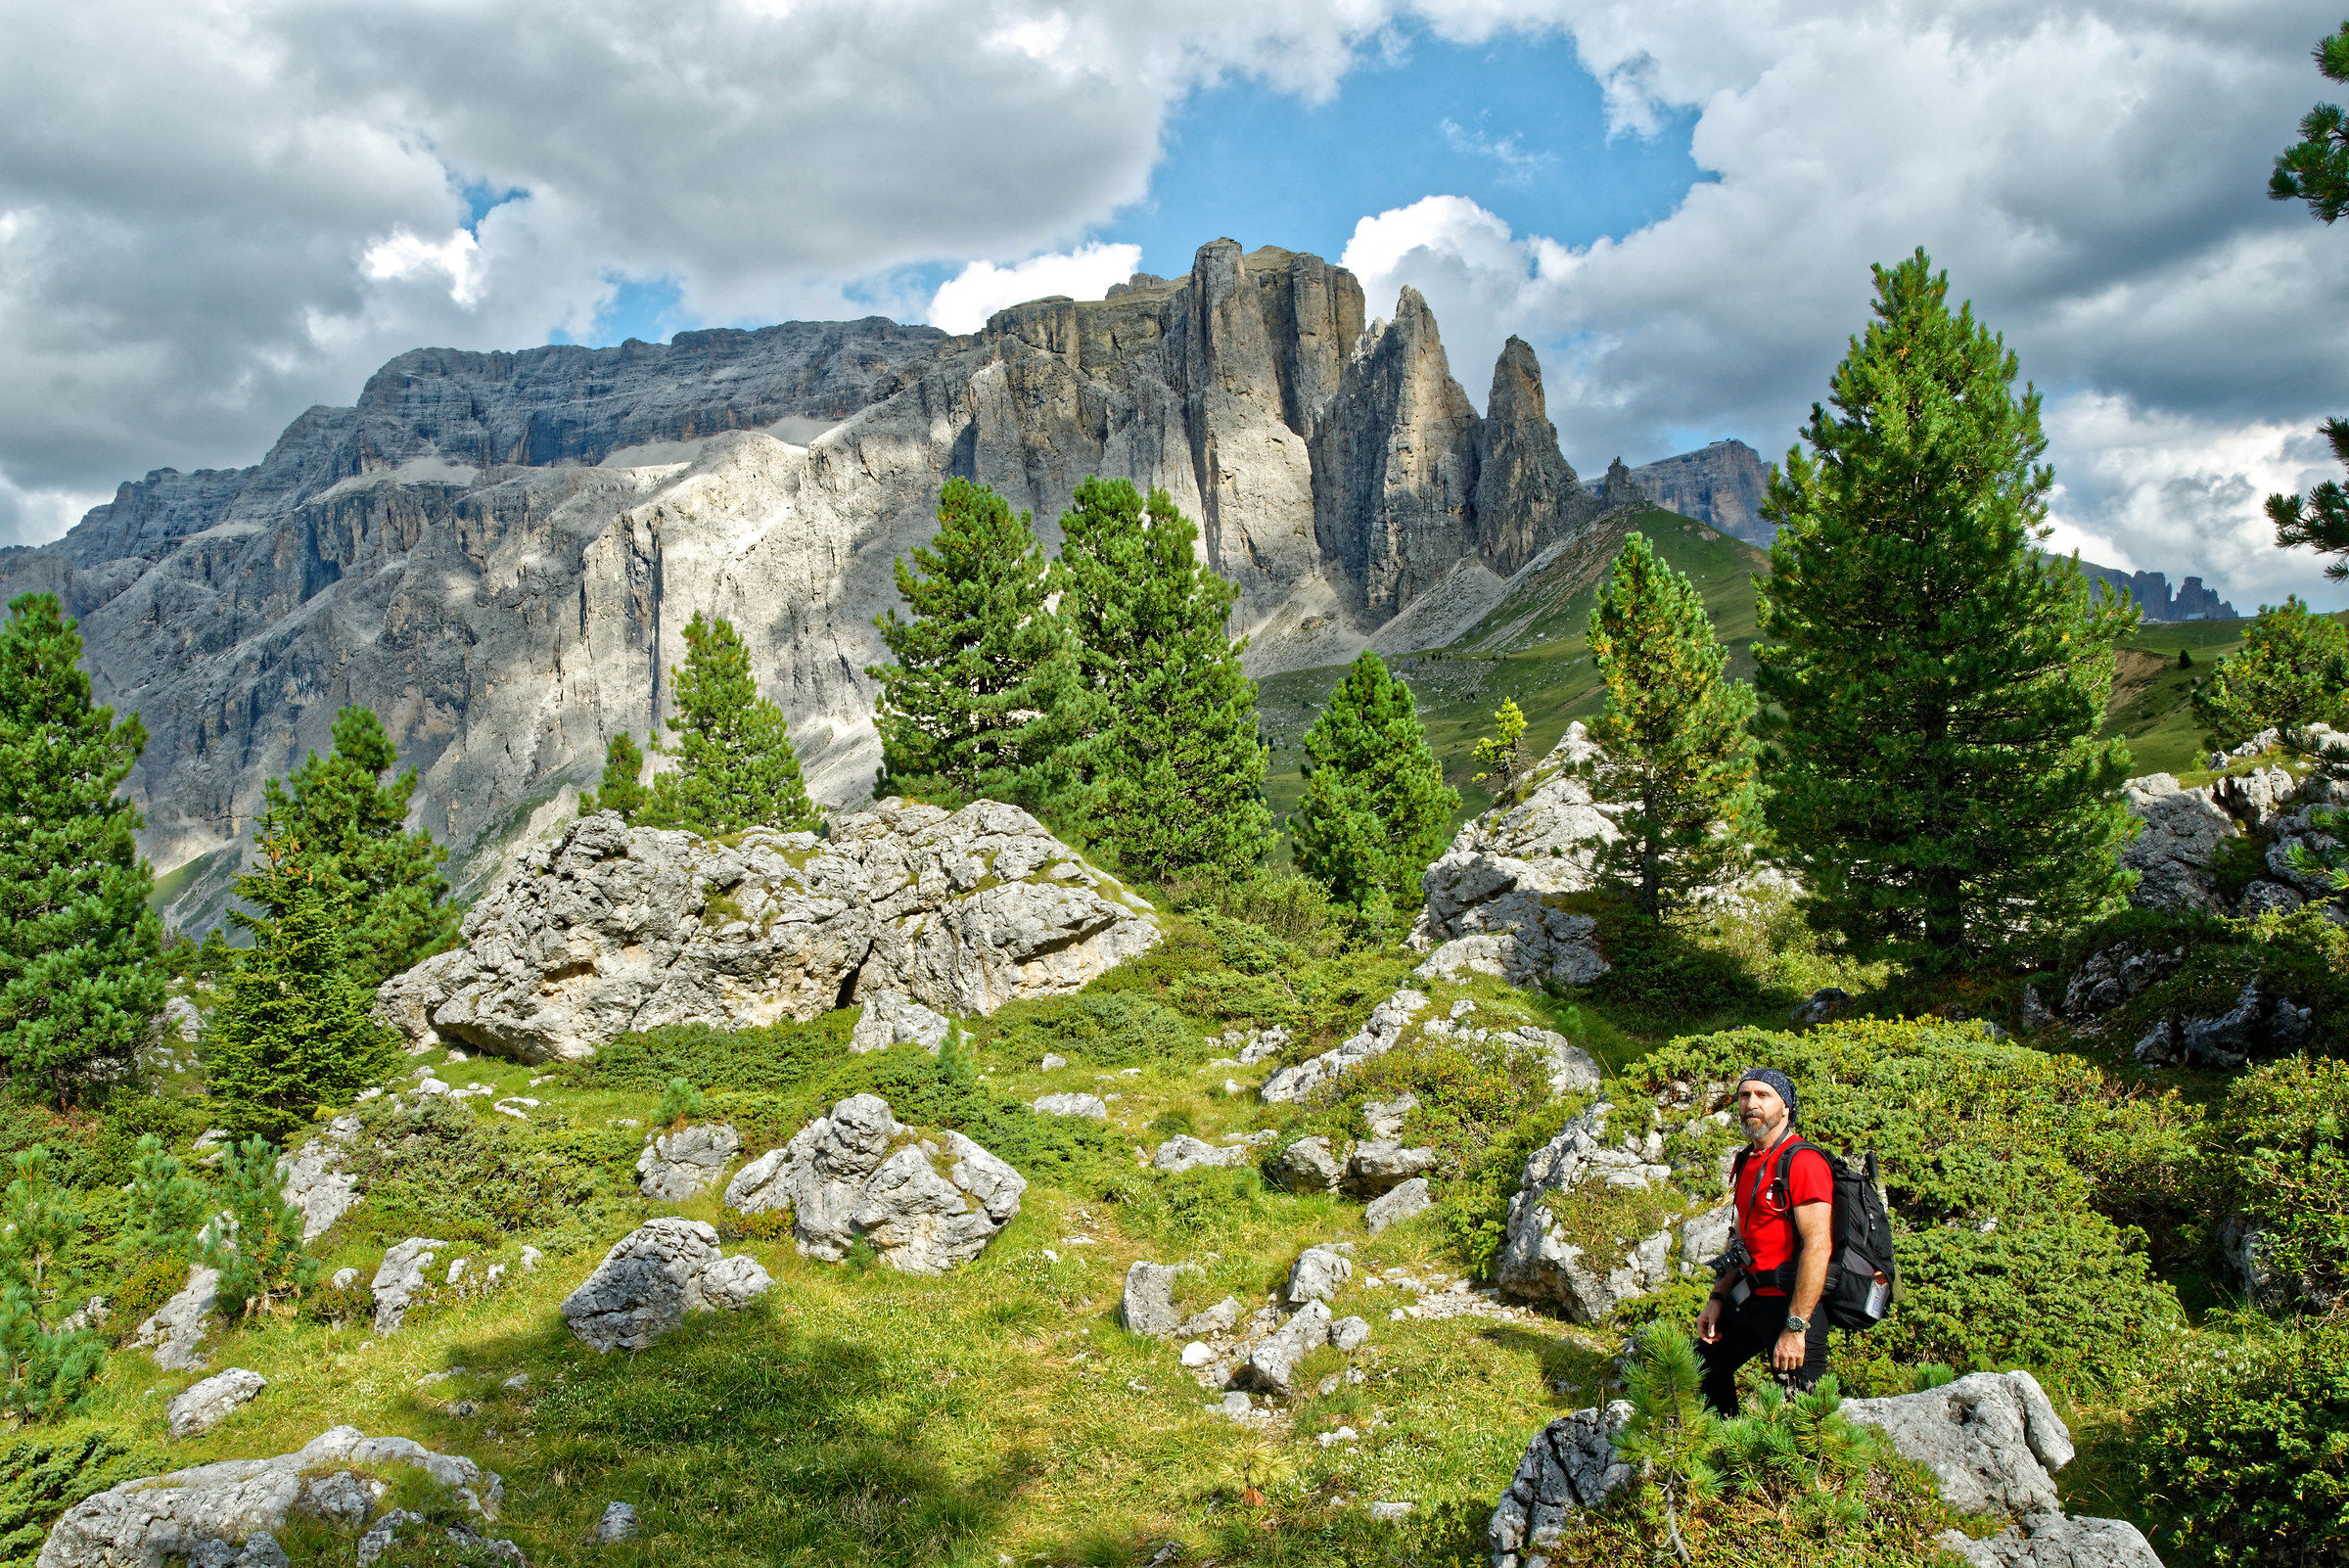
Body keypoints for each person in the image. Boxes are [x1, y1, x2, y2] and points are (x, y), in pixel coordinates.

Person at [1694, 1067, 1833, 1416]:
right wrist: (1717, 1297)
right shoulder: (1749, 1160)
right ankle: (1727, 1452)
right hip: (1751, 1297)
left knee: (1801, 1415)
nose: (1750, 1103)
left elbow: (1819, 1246)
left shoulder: (1804, 1162)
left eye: (1763, 1095)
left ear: (1785, 1107)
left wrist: (1796, 1326)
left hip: (1794, 1306)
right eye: (1744, 1095)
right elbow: (1740, 1239)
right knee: (1703, 1368)